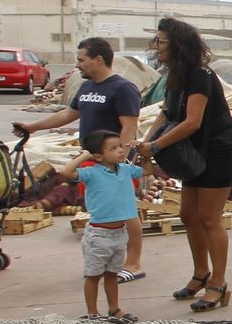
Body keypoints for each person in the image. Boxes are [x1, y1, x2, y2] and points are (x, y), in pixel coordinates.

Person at [13, 37, 146, 282]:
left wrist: (121, 160)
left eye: (81, 59)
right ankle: (111, 260)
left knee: (126, 210)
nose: (78, 65)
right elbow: (68, 114)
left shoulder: (122, 88)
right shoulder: (87, 88)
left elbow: (129, 126)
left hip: (114, 162)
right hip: (92, 159)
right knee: (103, 210)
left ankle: (134, 263)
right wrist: (32, 127)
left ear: (98, 59)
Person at [135, 18, 232, 314]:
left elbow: (192, 121)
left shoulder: (199, 75)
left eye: (160, 41)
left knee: (209, 217)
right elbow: (167, 114)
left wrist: (156, 146)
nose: (156, 47)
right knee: (188, 215)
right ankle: (200, 273)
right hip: (194, 153)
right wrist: (145, 143)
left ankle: (218, 283)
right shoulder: (175, 76)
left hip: (217, 152)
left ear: (177, 45)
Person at [57, 130, 144, 324]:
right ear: (97, 156)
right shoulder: (91, 172)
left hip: (119, 233)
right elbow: (65, 173)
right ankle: (93, 313)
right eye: (113, 149)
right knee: (93, 276)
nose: (121, 151)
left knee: (112, 274)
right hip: (98, 235)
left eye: (120, 146)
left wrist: (144, 153)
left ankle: (114, 308)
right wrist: (85, 155)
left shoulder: (126, 169)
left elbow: (148, 171)